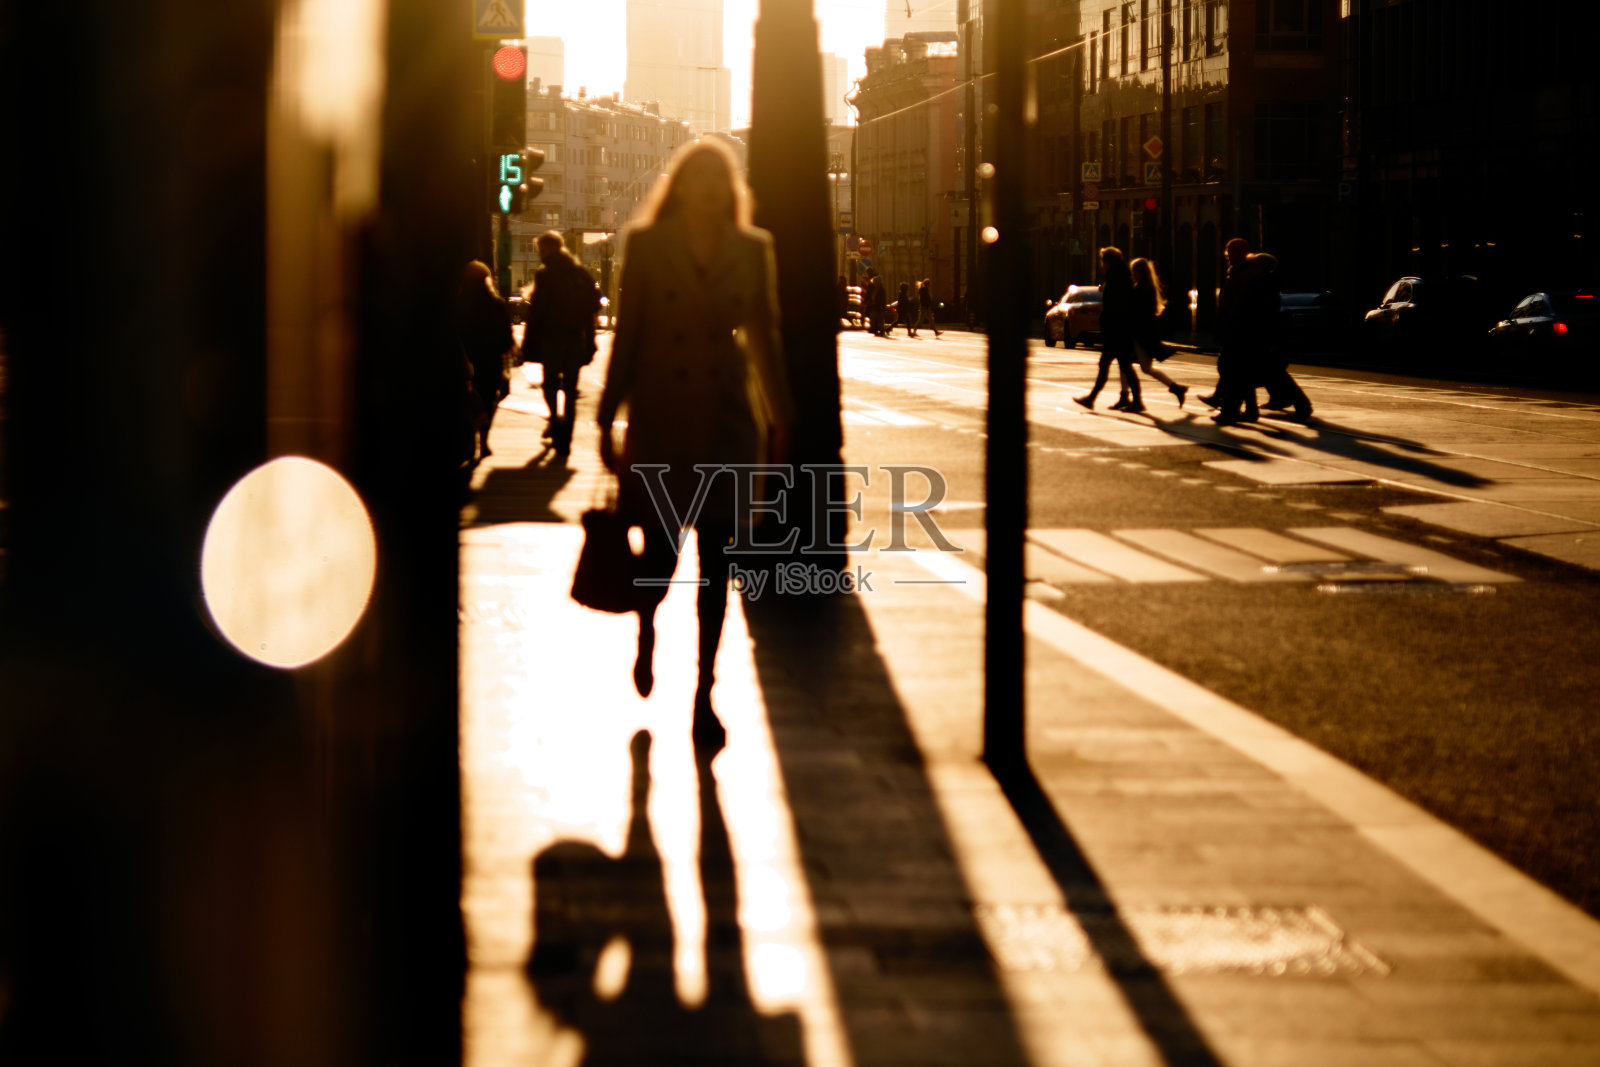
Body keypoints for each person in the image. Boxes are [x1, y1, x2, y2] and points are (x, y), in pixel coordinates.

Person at [596, 138, 793, 752]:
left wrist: (782, 419)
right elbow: (629, 334)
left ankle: (704, 692)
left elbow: (765, 337)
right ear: (679, 186)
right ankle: (648, 625)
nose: (708, 190)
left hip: (727, 423)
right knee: (659, 560)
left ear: (729, 189)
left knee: (718, 567)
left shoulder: (753, 249)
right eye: (697, 179)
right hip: (661, 420)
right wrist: (607, 418)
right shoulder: (648, 247)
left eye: (719, 179)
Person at [523, 230, 601, 453]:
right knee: (570, 388)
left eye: (542, 249)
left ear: (552, 249)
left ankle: (555, 421)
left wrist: (529, 343)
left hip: (552, 339)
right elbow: (594, 303)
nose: (541, 253)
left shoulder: (546, 274)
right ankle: (566, 437)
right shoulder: (579, 272)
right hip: (576, 338)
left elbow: (538, 311)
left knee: (550, 385)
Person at [453, 260, 515, 463]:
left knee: (468, 399)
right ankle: (485, 439)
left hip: (466, 358)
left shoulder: (458, 303)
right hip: (490, 359)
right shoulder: (496, 304)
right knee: (487, 399)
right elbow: (506, 334)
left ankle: (471, 440)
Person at [1212, 237, 1270, 425]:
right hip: (1239, 330)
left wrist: (1226, 326)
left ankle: (1229, 412)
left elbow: (1238, 304)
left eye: (1230, 251)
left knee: (1232, 373)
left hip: (1239, 331)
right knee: (1241, 373)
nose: (1228, 255)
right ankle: (1250, 410)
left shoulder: (1244, 273)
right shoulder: (1241, 271)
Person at [1075, 247, 1140, 411]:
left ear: (1108, 261)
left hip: (1117, 330)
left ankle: (1092, 399)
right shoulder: (1120, 276)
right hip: (1119, 329)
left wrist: (1103, 313)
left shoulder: (1115, 279)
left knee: (1112, 365)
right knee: (1122, 366)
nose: (1101, 264)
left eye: (1102, 261)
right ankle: (1094, 398)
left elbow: (1114, 305)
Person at [1251, 253, 1314, 420]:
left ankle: (1303, 405)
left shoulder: (1265, 285)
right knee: (1271, 371)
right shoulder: (1268, 283)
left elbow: (1266, 313)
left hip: (1268, 334)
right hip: (1268, 333)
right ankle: (1279, 400)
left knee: (1275, 372)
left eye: (1255, 265)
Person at [1129, 257, 1189, 408]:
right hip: (1145, 333)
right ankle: (1175, 388)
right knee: (1141, 367)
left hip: (1141, 333)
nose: (1133, 275)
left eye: (1134, 272)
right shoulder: (1148, 286)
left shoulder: (1142, 288)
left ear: (1139, 272)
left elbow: (1137, 310)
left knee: (1130, 365)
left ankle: (1132, 398)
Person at [865, 270, 888, 336]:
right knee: (873, 317)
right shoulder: (875, 288)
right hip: (874, 306)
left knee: (879, 319)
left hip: (879, 307)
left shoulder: (881, 290)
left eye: (875, 282)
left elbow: (882, 300)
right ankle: (874, 328)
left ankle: (880, 329)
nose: (873, 283)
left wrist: (882, 307)